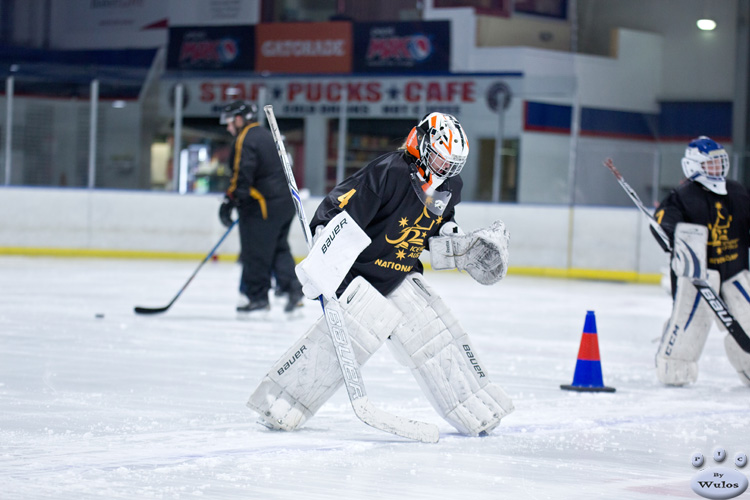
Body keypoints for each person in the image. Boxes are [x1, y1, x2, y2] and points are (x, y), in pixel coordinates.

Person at [246, 112, 514, 437]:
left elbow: (437, 223)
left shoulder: (449, 186)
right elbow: (338, 209)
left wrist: (457, 241)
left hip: (401, 275)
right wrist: (323, 257)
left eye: (451, 165)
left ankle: (477, 408)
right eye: (440, 160)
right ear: (421, 144)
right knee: (336, 346)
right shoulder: (389, 172)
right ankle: (279, 404)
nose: (444, 170)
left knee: (437, 338)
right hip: (360, 278)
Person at [651, 136, 750, 386]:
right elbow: (663, 221)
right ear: (693, 165)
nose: (718, 168)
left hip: (735, 271)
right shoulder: (683, 196)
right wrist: (671, 235)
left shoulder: (736, 191)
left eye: (720, 162)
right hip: (698, 277)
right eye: (711, 164)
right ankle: (674, 367)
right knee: (690, 324)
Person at [218, 100, 304, 315]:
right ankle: (293, 290)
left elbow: (242, 172)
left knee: (255, 251)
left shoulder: (245, 138)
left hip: (263, 205)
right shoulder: (265, 134)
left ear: (239, 119)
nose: (228, 128)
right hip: (285, 203)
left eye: (229, 122)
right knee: (277, 247)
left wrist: (230, 200)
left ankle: (257, 298)